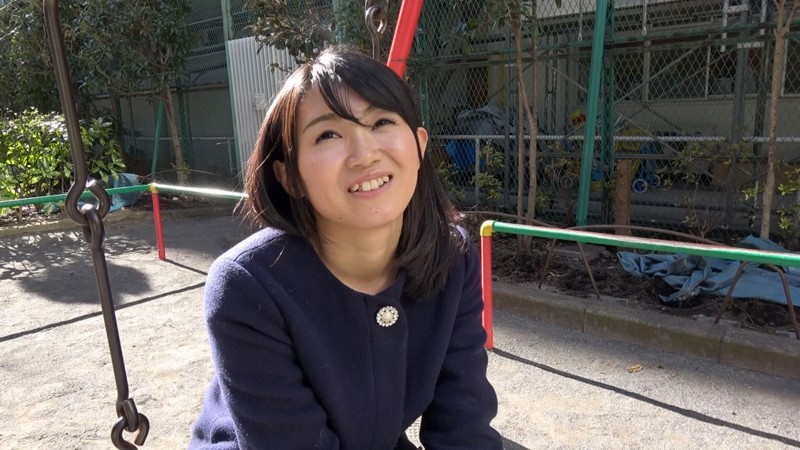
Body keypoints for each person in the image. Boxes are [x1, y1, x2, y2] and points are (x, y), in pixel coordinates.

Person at [189, 46, 503, 449]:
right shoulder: (249, 286)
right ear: (289, 176)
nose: (364, 154)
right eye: (329, 134)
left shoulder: (451, 258)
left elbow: (464, 424)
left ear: (419, 146)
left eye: (382, 121)